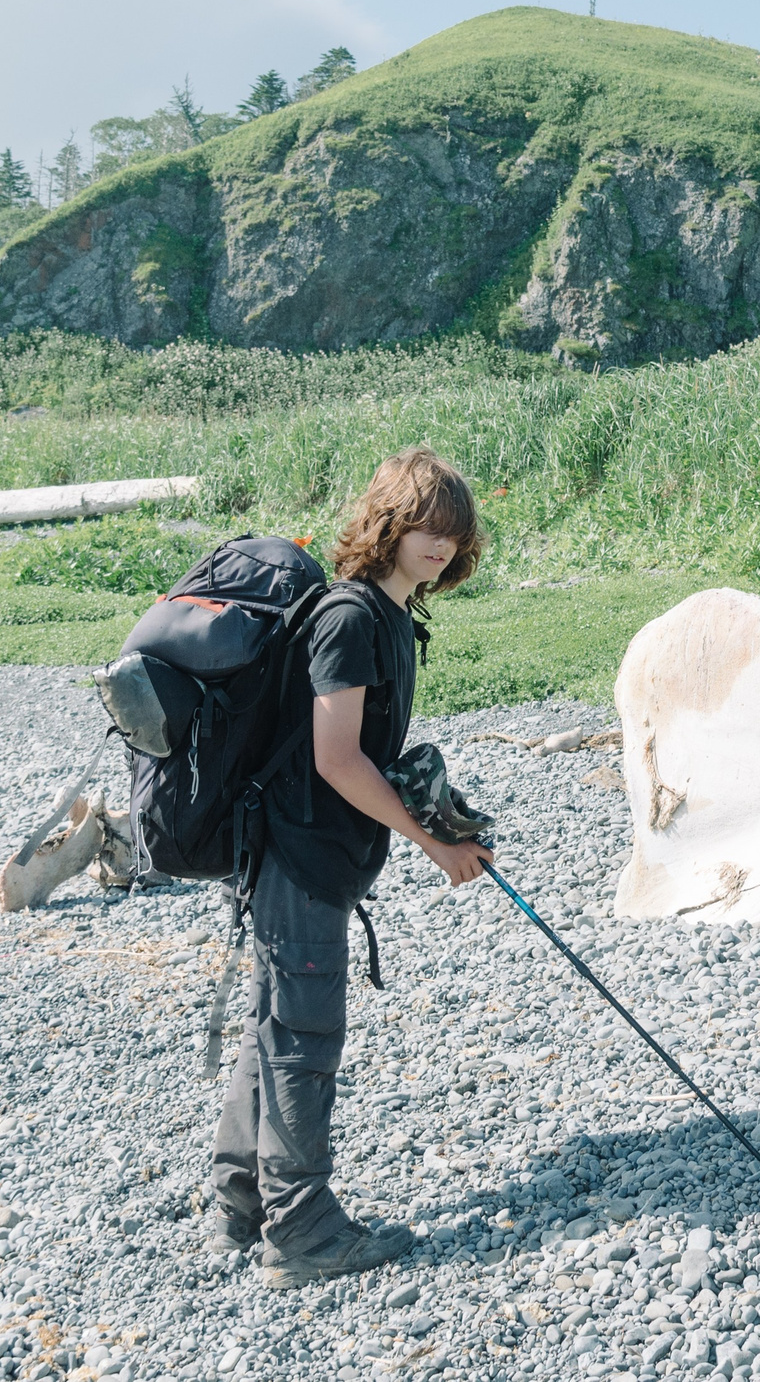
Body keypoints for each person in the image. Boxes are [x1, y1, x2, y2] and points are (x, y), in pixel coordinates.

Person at [206, 447, 493, 1286]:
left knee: (278, 1023)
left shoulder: (395, 618)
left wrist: (437, 810)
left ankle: (240, 1203)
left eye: (454, 530)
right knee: (305, 1035)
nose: (439, 543)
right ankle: (301, 1229)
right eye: (425, 525)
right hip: (297, 856)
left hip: (307, 855)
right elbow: (336, 759)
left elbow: (358, 753)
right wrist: (434, 843)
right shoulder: (352, 617)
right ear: (388, 524)